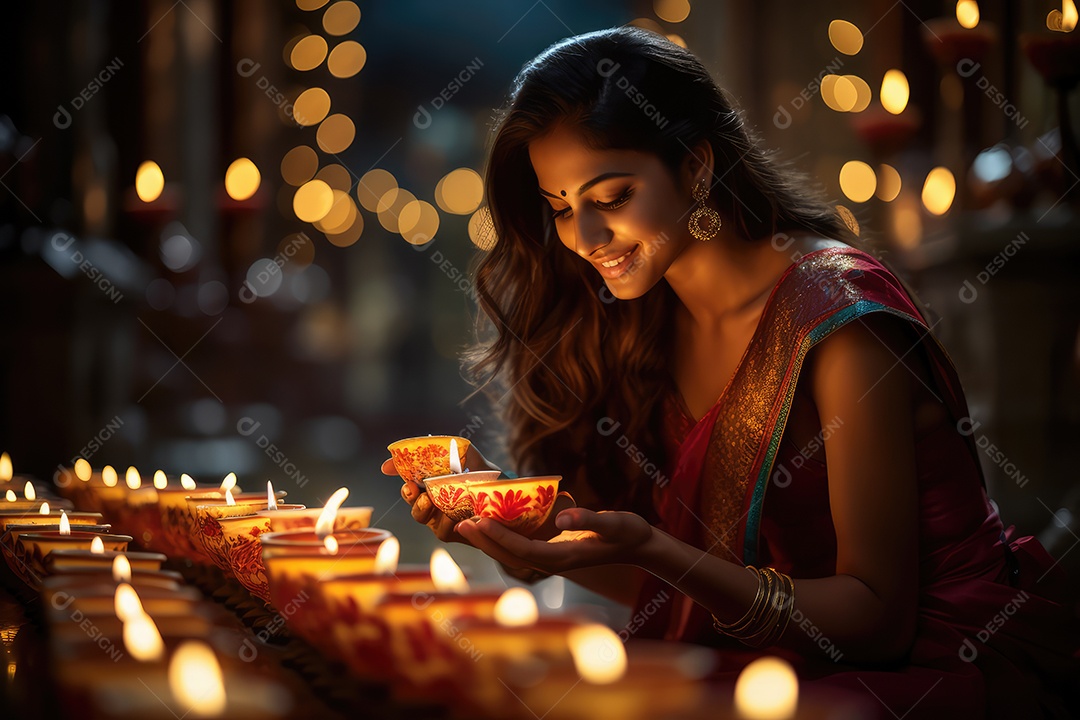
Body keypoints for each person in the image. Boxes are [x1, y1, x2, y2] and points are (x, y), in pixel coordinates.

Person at [382, 26, 1079, 718]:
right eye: (561, 209)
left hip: (936, 666)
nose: (585, 240)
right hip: (779, 663)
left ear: (694, 167)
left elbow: (877, 619)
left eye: (612, 197)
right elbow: (689, 595)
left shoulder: (842, 322)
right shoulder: (641, 321)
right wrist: (532, 539)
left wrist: (655, 548)